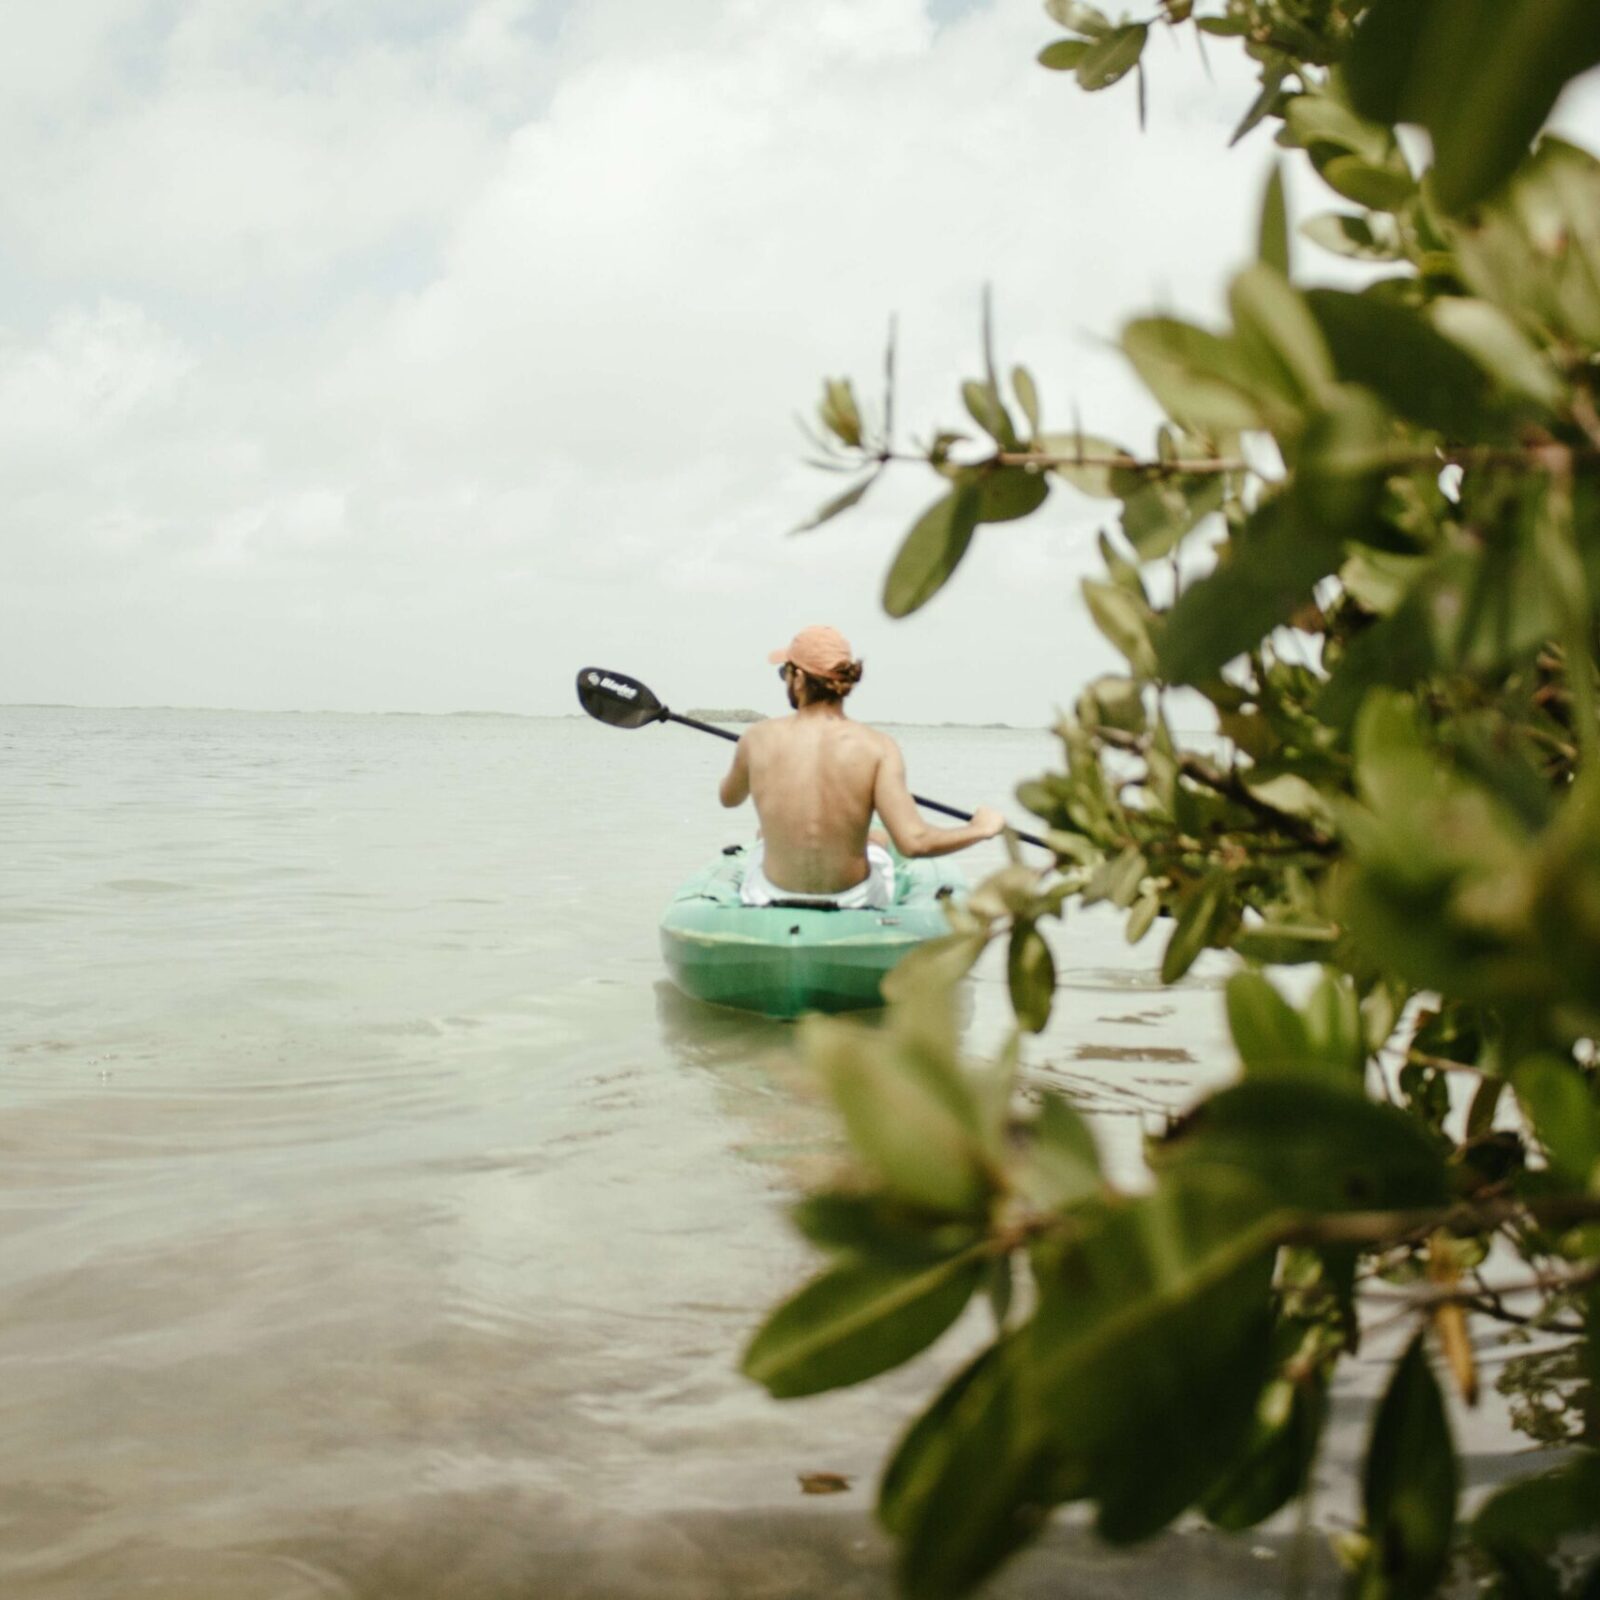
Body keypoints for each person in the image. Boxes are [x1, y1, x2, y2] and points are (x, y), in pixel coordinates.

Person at [718, 625, 1005, 908]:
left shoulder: (756, 738)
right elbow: (914, 842)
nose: (785, 681)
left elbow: (729, 798)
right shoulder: (878, 747)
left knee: (763, 836)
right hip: (853, 899)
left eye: (785, 672)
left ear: (800, 679)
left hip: (770, 894)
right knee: (878, 839)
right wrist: (980, 828)